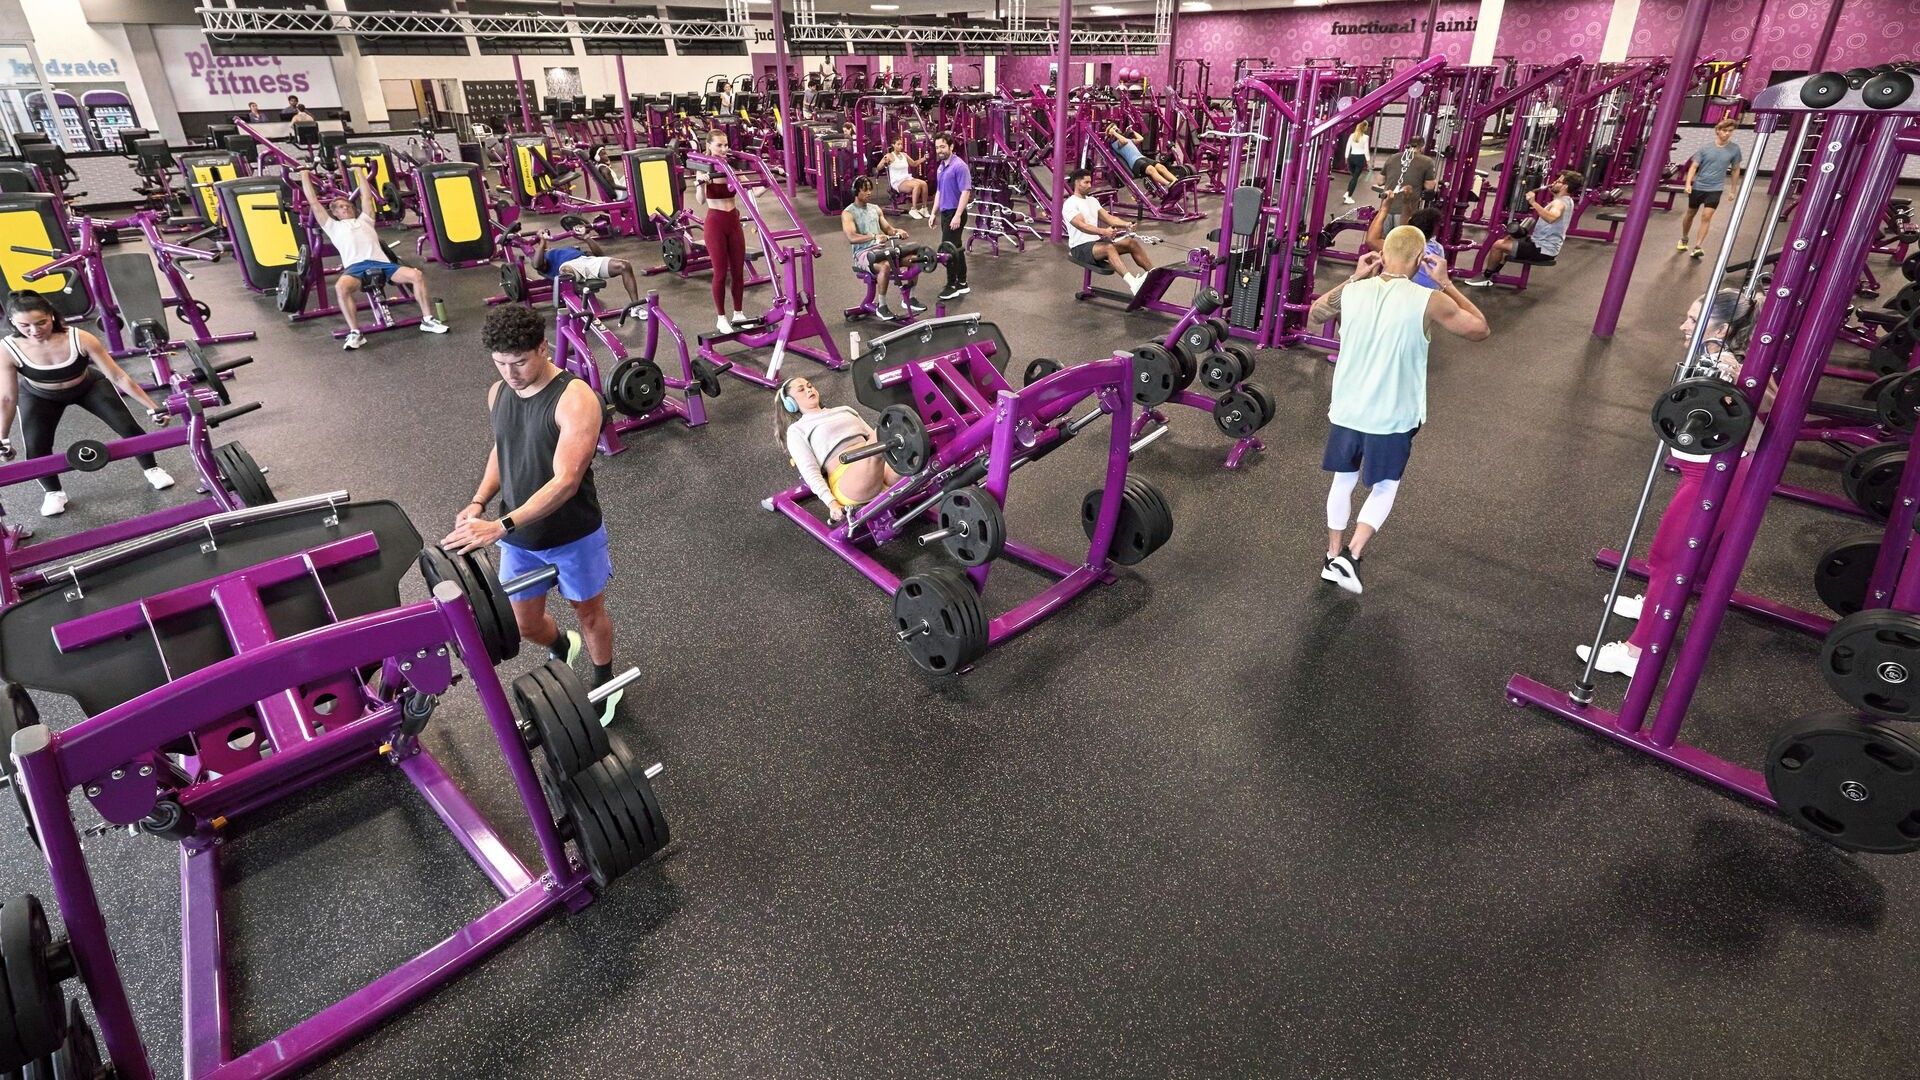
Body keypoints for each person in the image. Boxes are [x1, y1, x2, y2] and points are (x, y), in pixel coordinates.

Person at [445, 304, 623, 720]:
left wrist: (500, 525)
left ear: (543, 348)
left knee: (589, 613)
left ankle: (605, 680)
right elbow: (503, 448)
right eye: (500, 363)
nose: (510, 373)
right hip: (518, 538)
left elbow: (566, 482)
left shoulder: (575, 399)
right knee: (524, 623)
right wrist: (478, 501)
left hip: (572, 534)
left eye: (520, 362)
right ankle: (563, 645)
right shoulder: (499, 392)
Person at [1577, 289, 1756, 676]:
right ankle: (1654, 606)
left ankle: (1636, 654)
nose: (1683, 326)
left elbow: (1769, 407)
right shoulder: (1715, 358)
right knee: (1676, 558)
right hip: (1705, 474)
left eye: (1694, 320)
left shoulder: (1733, 367)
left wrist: (1741, 378)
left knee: (1667, 559)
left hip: (1715, 479)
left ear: (1721, 329)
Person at [1307, 226, 1490, 594]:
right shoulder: (1429, 299)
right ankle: (1352, 555)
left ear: (1383, 254)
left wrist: (1355, 276)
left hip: (1347, 410)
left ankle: (1332, 555)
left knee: (1343, 480)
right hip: (1391, 417)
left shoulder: (1353, 292)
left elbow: (1316, 312)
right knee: (1385, 486)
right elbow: (1480, 329)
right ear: (1420, 259)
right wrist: (1447, 283)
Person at [0, 292, 174, 517]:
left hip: (87, 386)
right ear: (13, 322)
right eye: (25, 325)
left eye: (41, 322)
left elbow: (118, 376)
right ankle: (53, 493)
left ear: (51, 315)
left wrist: (153, 407)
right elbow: (7, 397)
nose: (34, 330)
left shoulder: (80, 337)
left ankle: (152, 469)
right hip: (40, 395)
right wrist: (3, 438)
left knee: (128, 427)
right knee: (35, 447)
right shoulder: (8, 348)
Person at [298, 166, 449, 349]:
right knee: (341, 288)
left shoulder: (365, 220)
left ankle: (428, 320)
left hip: (383, 264)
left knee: (416, 275)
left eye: (348, 205)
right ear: (334, 213)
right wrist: (304, 175)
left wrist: (359, 172)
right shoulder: (332, 226)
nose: (346, 208)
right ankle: (356, 333)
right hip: (355, 268)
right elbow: (314, 202)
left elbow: (367, 197)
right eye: (341, 207)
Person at [775, 375, 898, 523]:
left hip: (877, 465)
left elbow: (873, 435)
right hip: (847, 479)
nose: (809, 390)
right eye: (801, 390)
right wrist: (832, 503)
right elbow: (809, 471)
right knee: (879, 444)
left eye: (809, 386)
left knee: (888, 433)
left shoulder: (845, 410)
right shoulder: (797, 430)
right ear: (791, 403)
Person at [1467, 169, 1580, 285]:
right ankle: (1492, 274)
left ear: (1565, 186)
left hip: (1542, 249)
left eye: (1558, 181)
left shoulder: (1559, 203)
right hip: (1544, 245)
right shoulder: (1567, 200)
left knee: (1498, 245)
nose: (1554, 182)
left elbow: (1551, 218)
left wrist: (1533, 202)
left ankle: (1485, 277)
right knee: (1507, 240)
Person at [694, 128, 751, 334]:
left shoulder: (731, 167)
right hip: (715, 223)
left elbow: (753, 190)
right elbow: (700, 201)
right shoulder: (703, 167)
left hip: (733, 222)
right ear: (709, 145)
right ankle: (721, 318)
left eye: (726, 145)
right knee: (720, 272)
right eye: (719, 145)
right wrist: (701, 184)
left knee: (738, 271)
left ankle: (738, 313)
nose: (724, 149)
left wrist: (771, 178)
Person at [1063, 167, 1154, 294]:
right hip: (1080, 248)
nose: (1090, 185)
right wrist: (1103, 232)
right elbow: (1082, 226)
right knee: (1108, 248)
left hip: (1096, 243)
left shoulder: (1092, 201)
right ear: (1077, 183)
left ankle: (1154, 275)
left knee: (1131, 243)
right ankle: (1133, 284)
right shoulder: (1070, 204)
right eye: (1086, 182)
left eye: (1090, 182)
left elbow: (1109, 218)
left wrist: (1126, 224)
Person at [843, 177, 916, 321]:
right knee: (885, 266)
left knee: (914, 260)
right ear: (855, 192)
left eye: (870, 189)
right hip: (862, 253)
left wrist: (898, 231)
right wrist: (874, 237)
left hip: (881, 250)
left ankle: (910, 298)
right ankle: (882, 306)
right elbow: (852, 237)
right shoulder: (848, 213)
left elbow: (888, 229)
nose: (869, 193)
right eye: (865, 190)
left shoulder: (875, 209)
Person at [533, 222, 643, 316]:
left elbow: (600, 255)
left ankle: (636, 307)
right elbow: (537, 265)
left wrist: (586, 237)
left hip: (586, 260)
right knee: (566, 273)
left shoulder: (569, 248)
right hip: (569, 267)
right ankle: (579, 307)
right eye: (542, 238)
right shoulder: (546, 256)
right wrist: (542, 242)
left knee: (624, 265)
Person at [1680, 117, 1743, 260]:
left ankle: (1698, 246)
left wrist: (1733, 190)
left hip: (1716, 188)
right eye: (1725, 130)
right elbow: (1694, 167)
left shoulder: (1734, 149)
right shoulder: (1705, 148)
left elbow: (1735, 169)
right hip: (1699, 186)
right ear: (1718, 131)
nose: (1727, 133)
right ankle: (1684, 238)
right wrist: (1688, 184)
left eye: (1730, 131)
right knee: (1690, 214)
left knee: (1706, 216)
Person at [930, 132, 971, 302]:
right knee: (957, 248)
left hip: (955, 213)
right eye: (937, 147)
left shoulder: (959, 166)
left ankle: (951, 285)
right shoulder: (941, 167)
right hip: (946, 213)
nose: (939, 150)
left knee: (948, 249)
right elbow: (939, 191)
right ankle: (962, 282)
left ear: (951, 146)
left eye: (942, 146)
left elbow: (965, 192)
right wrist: (933, 212)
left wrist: (958, 215)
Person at [1365, 205, 1446, 289]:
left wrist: (1384, 208)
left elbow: (1371, 240)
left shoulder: (1404, 247)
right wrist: (1406, 203)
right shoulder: (1437, 248)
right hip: (1430, 291)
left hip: (1403, 291)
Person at [1376, 137, 1437, 231]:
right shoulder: (1427, 161)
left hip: (1386, 208)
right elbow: (1429, 186)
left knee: (1383, 239)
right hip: (1405, 212)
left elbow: (1380, 181)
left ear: (1408, 144)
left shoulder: (1392, 157)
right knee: (1401, 238)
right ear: (1422, 147)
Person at [1103, 124, 1180, 189]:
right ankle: (1169, 185)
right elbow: (1124, 141)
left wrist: (1132, 131)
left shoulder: (1129, 140)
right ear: (1110, 133)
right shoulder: (1115, 144)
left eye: (1117, 128)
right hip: (1134, 162)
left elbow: (1140, 139)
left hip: (1142, 158)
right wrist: (1114, 133)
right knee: (1151, 169)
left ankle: (1176, 182)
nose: (1117, 129)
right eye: (1114, 129)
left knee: (1161, 167)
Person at [879, 135, 930, 220]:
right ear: (893, 145)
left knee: (924, 184)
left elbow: (914, 164)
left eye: (901, 144)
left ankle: (924, 208)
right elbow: (878, 167)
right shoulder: (889, 156)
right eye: (898, 144)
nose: (900, 146)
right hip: (897, 182)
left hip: (907, 178)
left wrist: (924, 158)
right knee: (916, 185)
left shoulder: (904, 155)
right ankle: (913, 209)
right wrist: (884, 162)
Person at [1343, 121, 1371, 205]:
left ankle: (1347, 192)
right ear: (1365, 127)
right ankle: (1348, 197)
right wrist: (1368, 160)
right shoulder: (1366, 137)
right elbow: (1366, 150)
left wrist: (1346, 157)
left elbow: (1348, 147)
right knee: (1355, 178)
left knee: (1353, 177)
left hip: (1351, 157)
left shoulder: (1352, 135)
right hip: (1360, 158)